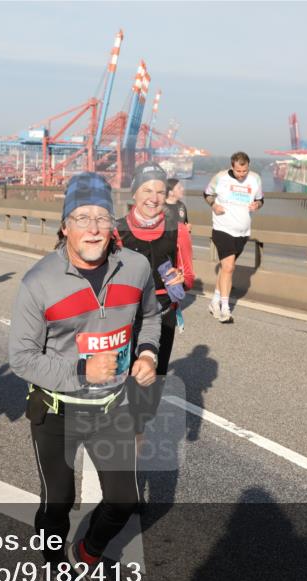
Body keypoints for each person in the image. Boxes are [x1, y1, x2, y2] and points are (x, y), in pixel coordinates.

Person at [8, 172, 161, 581]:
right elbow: (21, 358)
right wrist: (81, 369)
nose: (92, 228)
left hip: (113, 405)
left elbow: (150, 316)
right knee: (58, 500)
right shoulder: (39, 282)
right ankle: (54, 565)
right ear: (64, 226)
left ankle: (90, 555)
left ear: (113, 225)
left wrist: (147, 355)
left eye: (101, 217)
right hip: (56, 408)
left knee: (124, 500)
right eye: (81, 218)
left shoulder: (135, 267)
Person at [113, 163, 194, 447]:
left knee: (149, 385)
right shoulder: (116, 231)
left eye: (160, 191)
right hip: (122, 317)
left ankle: (137, 434)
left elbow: (189, 278)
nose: (154, 197)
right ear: (134, 193)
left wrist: (181, 280)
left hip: (162, 315)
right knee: (120, 380)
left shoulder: (178, 231)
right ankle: (122, 440)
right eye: (147, 189)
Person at [203, 151, 263, 323]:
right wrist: (214, 205)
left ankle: (214, 302)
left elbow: (261, 199)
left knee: (225, 269)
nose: (242, 175)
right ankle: (225, 308)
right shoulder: (220, 177)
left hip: (243, 232)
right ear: (232, 167)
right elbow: (207, 194)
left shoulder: (255, 179)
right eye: (238, 171)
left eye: (244, 171)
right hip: (222, 228)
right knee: (229, 267)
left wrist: (256, 205)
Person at [164, 177, 195, 333]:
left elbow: (186, 223)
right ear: (170, 191)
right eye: (179, 187)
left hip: (181, 251)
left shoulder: (182, 206)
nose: (182, 189)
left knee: (180, 280)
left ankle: (174, 308)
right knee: (169, 281)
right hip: (167, 251)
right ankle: (168, 311)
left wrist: (187, 228)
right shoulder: (162, 208)